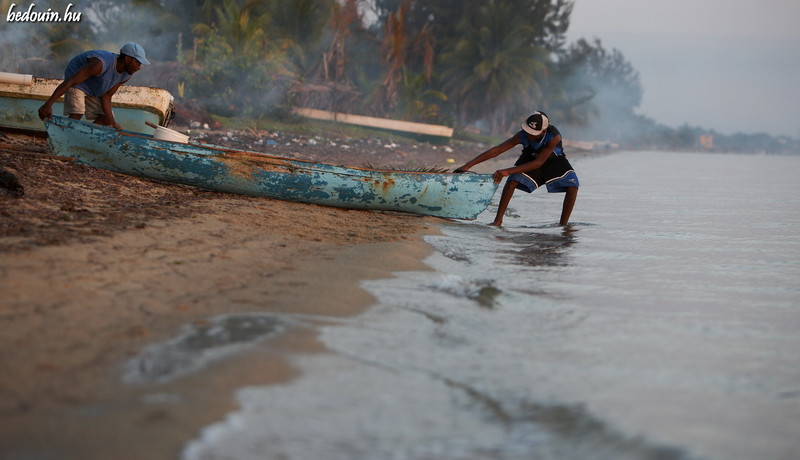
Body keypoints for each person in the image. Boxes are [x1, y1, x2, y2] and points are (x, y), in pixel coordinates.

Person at [454, 111, 579, 226]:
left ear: (543, 131)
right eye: (528, 131)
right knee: (512, 181)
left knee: (573, 185)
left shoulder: (554, 137)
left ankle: (563, 226)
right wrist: (468, 165)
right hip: (530, 157)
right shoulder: (521, 135)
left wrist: (507, 171)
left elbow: (539, 163)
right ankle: (498, 221)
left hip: (554, 160)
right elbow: (497, 150)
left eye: (533, 133)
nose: (529, 135)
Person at [38, 43, 150, 130]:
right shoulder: (101, 64)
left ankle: (85, 137)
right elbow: (71, 81)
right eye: (138, 63)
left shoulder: (126, 75)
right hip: (76, 80)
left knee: (107, 118)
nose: (139, 68)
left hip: (94, 85)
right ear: (128, 59)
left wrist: (113, 122)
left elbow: (106, 96)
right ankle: (63, 137)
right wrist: (48, 104)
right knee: (78, 112)